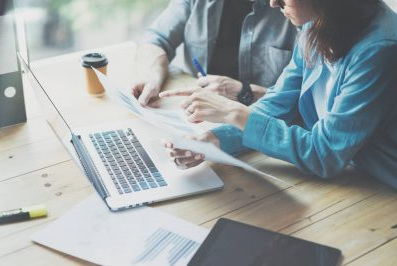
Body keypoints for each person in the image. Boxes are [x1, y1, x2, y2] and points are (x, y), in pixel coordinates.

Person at [163, 0, 397, 189]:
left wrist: (234, 112)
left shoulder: (379, 50)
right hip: (356, 176)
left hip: (384, 191)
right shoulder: (315, 24)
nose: (273, 3)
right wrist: (212, 141)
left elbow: (324, 154)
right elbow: (278, 103)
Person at [131, 0, 297, 107]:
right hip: (196, 112)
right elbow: (156, 38)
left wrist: (244, 92)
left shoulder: (297, 10)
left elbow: (306, 101)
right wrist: (151, 76)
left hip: (266, 121)